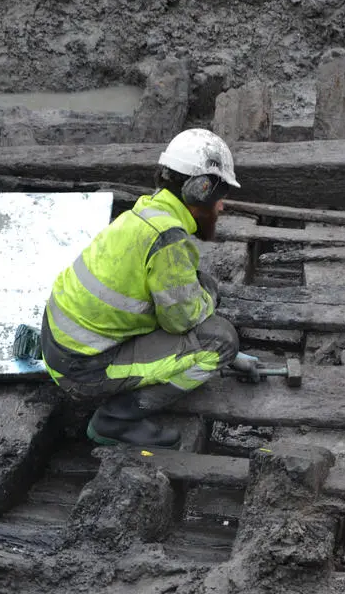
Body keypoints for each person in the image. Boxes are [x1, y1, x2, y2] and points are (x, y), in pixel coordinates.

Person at [40, 128, 256, 448]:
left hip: (58, 341)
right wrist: (219, 325)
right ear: (201, 188)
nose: (221, 208)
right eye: (219, 196)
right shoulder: (168, 239)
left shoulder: (145, 211)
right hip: (82, 368)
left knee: (199, 285)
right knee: (221, 341)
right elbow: (181, 321)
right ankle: (116, 420)